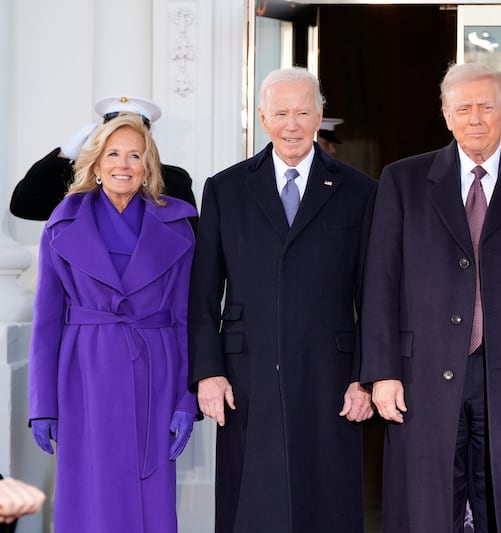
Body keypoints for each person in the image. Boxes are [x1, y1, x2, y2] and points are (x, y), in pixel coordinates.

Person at [361, 62, 501, 533]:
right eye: (463, 108)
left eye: (487, 106)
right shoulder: (403, 181)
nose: (475, 118)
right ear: (446, 115)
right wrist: (381, 372)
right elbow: (379, 283)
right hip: (422, 374)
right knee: (429, 506)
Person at [188, 67, 376, 533]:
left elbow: (373, 294)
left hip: (330, 375)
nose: (291, 124)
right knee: (253, 500)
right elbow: (203, 292)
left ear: (319, 116)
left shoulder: (359, 190)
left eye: (302, 112)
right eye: (281, 113)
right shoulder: (225, 188)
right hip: (244, 374)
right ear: (262, 118)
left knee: (326, 497)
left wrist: (365, 378)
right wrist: (208, 373)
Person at [27, 113, 198, 533]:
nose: (123, 164)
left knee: (151, 504)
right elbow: (46, 321)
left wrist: (186, 399)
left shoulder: (178, 224)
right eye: (113, 154)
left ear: (148, 167)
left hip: (155, 376)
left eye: (135, 155)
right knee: (90, 501)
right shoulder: (62, 222)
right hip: (84, 376)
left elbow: (185, 320)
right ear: (97, 165)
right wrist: (42, 405)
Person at [10, 95, 196, 221]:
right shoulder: (83, 178)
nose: (123, 165)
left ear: (149, 138)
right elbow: (24, 206)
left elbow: (192, 245)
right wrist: (64, 156)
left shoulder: (172, 181)